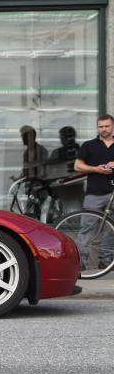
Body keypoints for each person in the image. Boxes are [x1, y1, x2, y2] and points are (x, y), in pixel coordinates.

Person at [74, 114, 114, 269]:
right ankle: (81, 262)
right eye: (101, 126)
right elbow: (78, 166)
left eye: (106, 126)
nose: (103, 129)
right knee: (87, 227)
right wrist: (96, 169)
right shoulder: (89, 145)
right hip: (94, 192)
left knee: (111, 229)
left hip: (112, 192)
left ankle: (106, 260)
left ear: (112, 126)